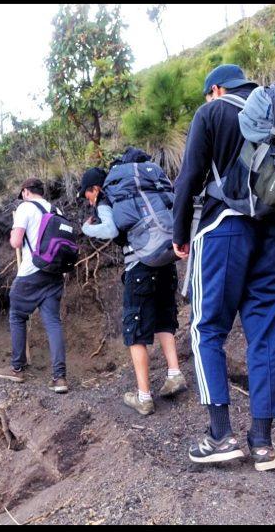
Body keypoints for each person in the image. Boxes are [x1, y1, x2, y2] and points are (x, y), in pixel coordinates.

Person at [172, 63, 275, 472]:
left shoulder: (215, 111)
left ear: (216, 89)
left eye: (208, 94)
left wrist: (179, 232)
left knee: (207, 329)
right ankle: (262, 442)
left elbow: (189, 176)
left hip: (225, 229)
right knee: (264, 333)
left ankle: (221, 435)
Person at [78, 158, 187, 416]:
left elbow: (109, 229)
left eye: (87, 195)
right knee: (163, 318)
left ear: (94, 188)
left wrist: (85, 227)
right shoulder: (141, 191)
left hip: (140, 267)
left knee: (134, 330)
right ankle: (174, 374)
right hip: (165, 258)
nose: (89, 200)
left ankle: (143, 396)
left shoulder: (108, 199)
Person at [0, 178, 70, 394]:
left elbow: (16, 242)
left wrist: (14, 232)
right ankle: (60, 377)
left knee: (17, 315)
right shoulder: (56, 209)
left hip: (31, 273)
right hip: (54, 273)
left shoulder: (25, 208)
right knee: (53, 322)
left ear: (26, 192)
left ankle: (17, 368)